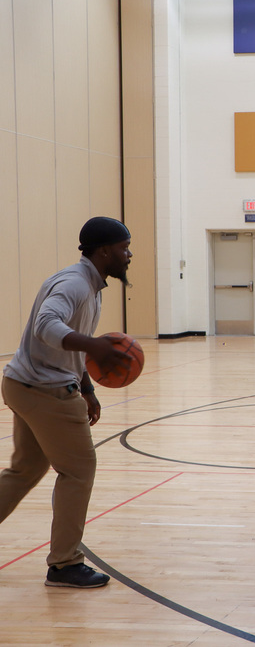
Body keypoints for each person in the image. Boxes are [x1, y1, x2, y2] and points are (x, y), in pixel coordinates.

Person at [0, 217, 133, 588]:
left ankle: (64, 561)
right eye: (124, 247)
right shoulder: (74, 283)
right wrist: (91, 346)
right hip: (46, 392)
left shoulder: (90, 285)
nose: (129, 254)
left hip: (22, 382)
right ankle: (64, 564)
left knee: (24, 470)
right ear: (104, 250)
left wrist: (87, 386)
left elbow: (71, 344)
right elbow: (46, 324)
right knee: (78, 471)